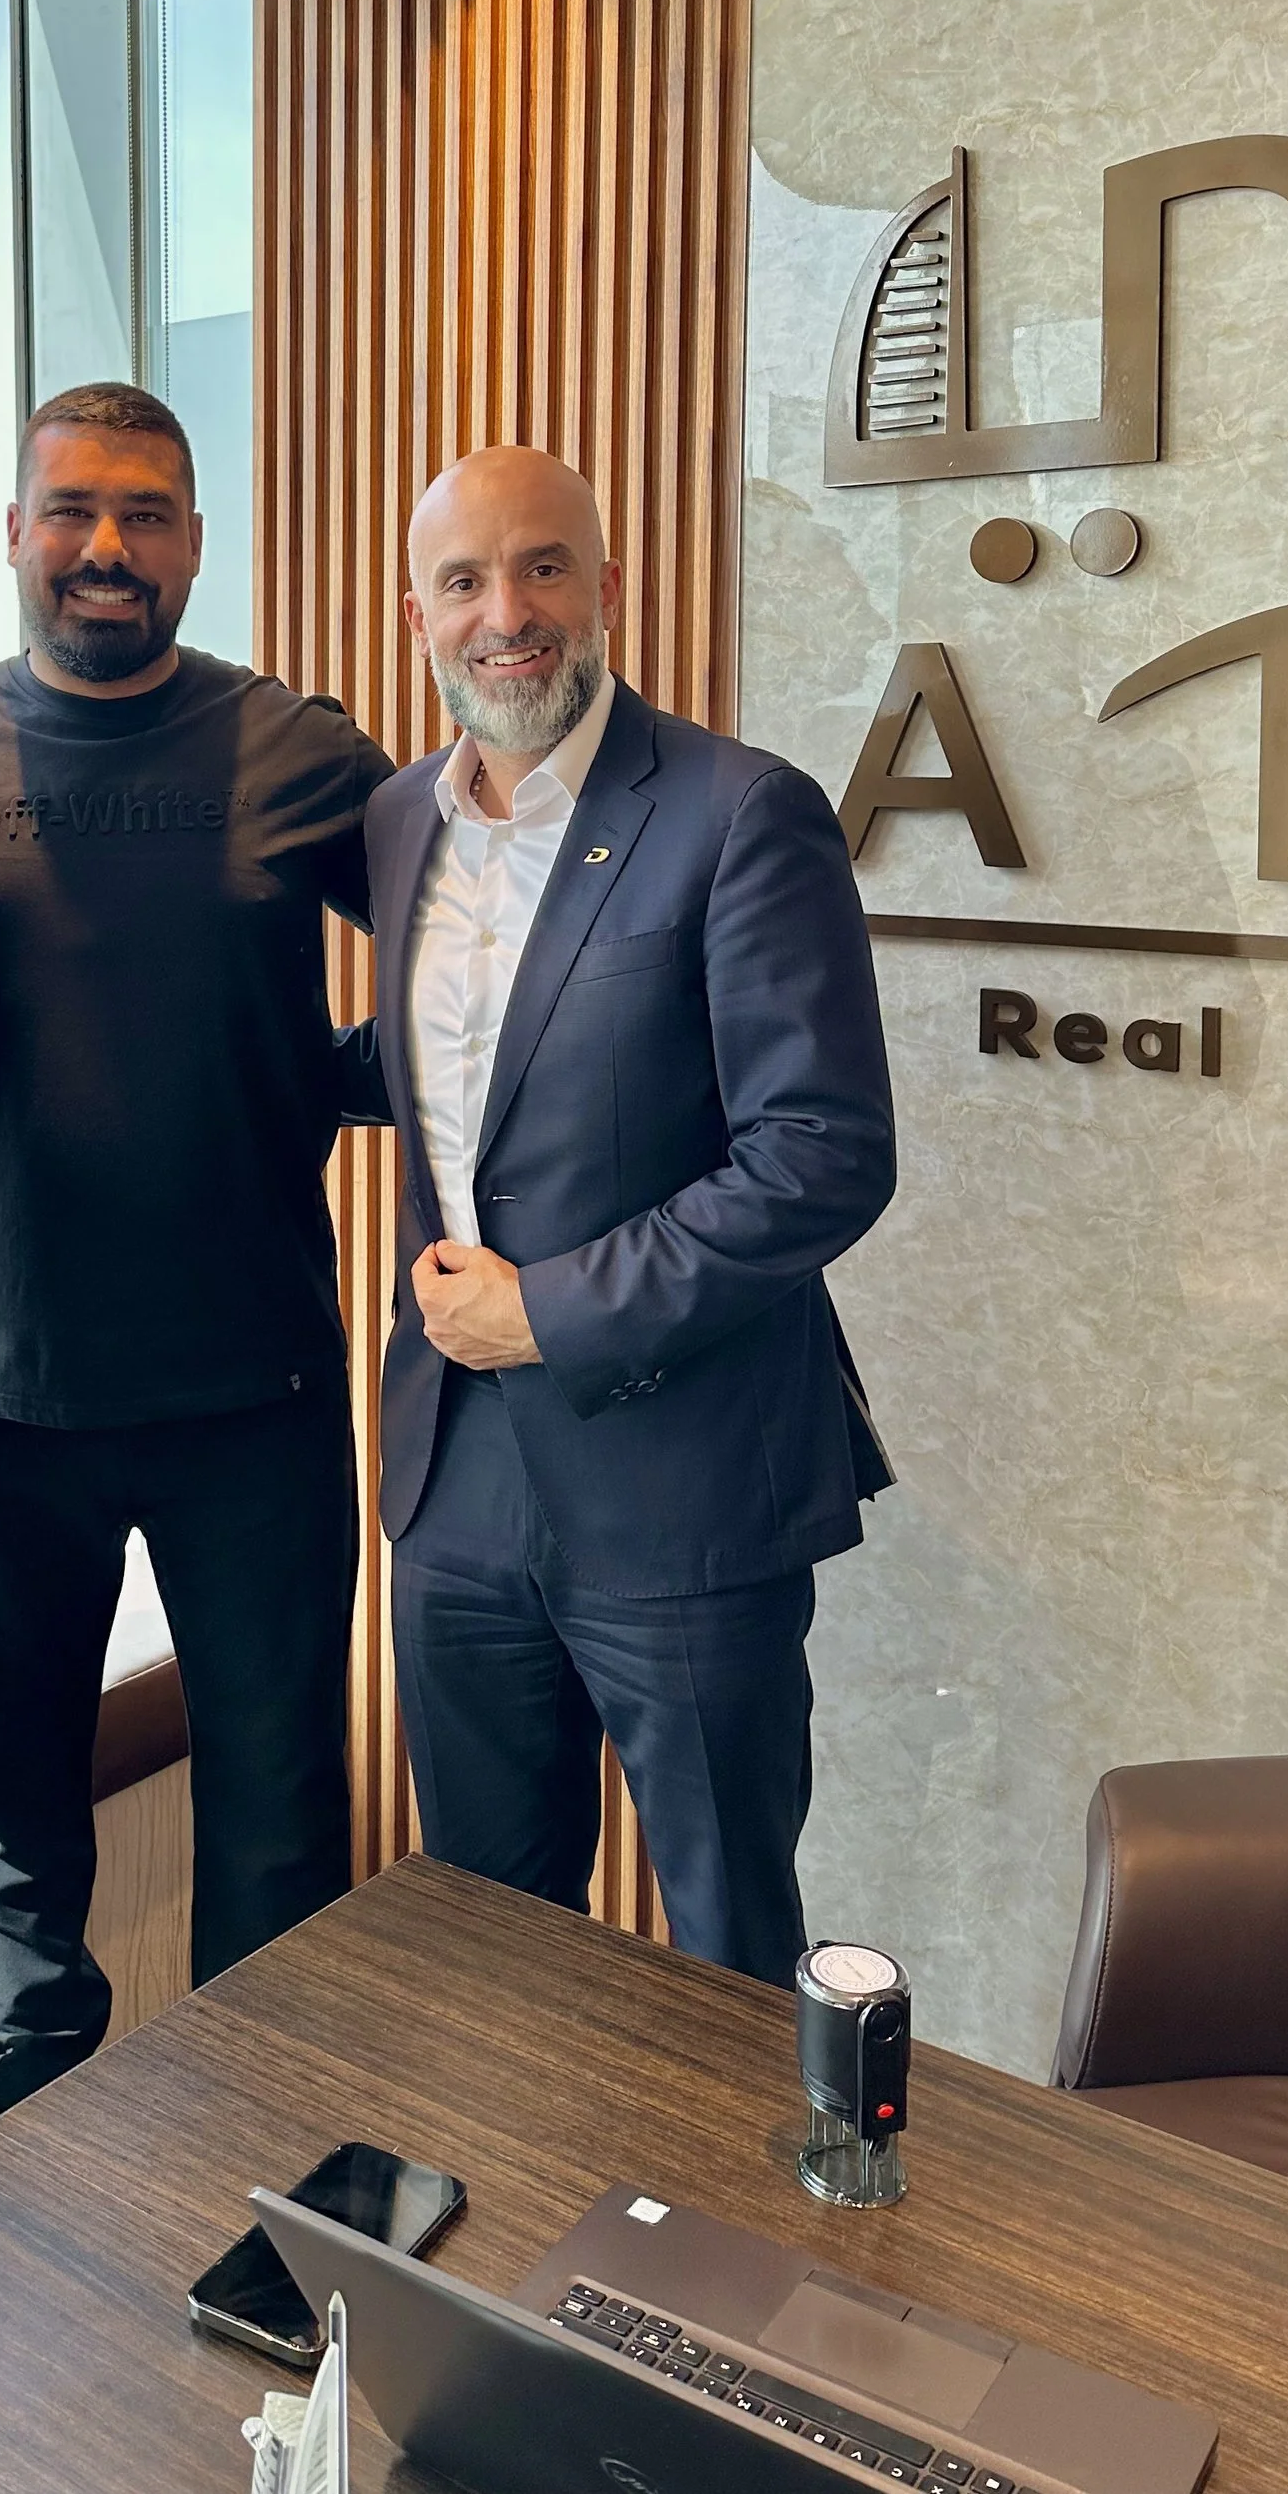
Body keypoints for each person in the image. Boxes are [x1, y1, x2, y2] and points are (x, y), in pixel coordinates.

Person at [0, 379, 392, 2110]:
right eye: (72, 509)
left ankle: (269, 2228)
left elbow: (492, 985)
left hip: (261, 1388)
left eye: (146, 513)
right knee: (10, 1854)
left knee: (282, 1830)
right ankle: (50, 2221)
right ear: (11, 533)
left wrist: (337, 1083)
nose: (106, 545)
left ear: (194, 547)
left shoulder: (302, 755)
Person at [346, 445, 896, 1982]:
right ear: (417, 613)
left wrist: (547, 1310)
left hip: (687, 1492)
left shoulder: (740, 814)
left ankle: (736, 2231)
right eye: (464, 580)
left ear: (609, 590)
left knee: (724, 1949)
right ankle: (524, 2216)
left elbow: (821, 1153)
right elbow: (466, 1075)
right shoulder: (404, 822)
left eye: (541, 568)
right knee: (489, 1940)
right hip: (455, 1488)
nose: (504, 613)